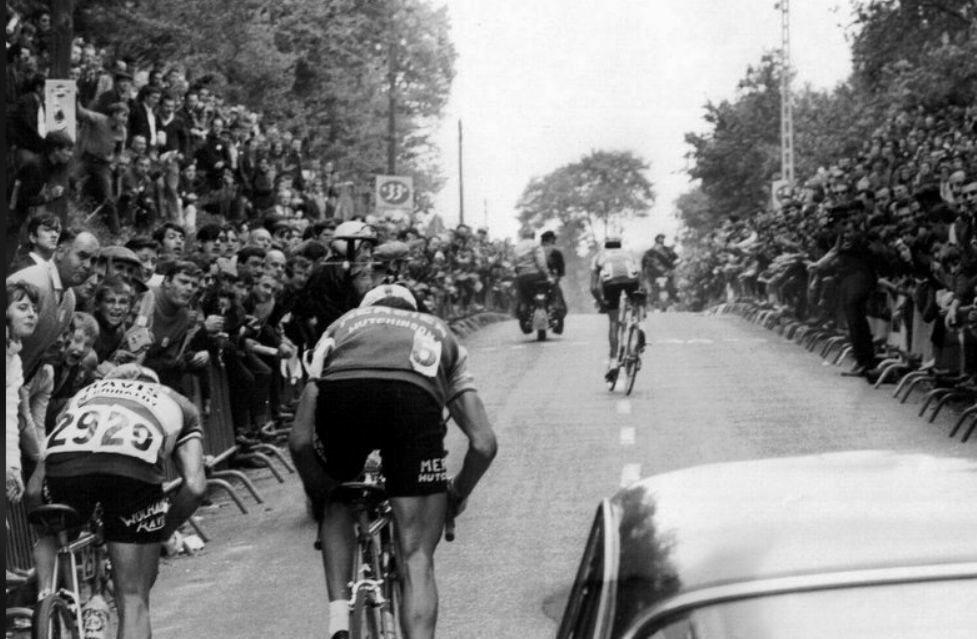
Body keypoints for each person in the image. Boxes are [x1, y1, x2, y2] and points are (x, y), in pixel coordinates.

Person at [289, 284, 498, 639]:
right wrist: (456, 494)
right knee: (416, 556)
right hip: (412, 399)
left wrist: (321, 489)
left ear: (365, 310)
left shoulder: (339, 326)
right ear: (414, 310)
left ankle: (339, 620)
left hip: (344, 396)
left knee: (339, 495)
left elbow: (298, 440)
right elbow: (483, 444)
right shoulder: (438, 331)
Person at [28, 364, 206, 639]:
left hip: (66, 468)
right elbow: (194, 487)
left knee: (56, 533)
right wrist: (163, 531)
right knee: (133, 599)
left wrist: (49, 532)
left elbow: (32, 491)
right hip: (132, 473)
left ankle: (48, 596)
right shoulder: (177, 402)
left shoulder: (84, 395)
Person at [6, 281, 40, 503]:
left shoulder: (14, 360)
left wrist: (12, 468)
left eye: (34, 310)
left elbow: (9, 418)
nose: (32, 315)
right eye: (22, 307)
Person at [591, 236, 641, 382]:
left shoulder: (599, 256)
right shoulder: (630, 253)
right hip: (632, 281)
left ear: (606, 246)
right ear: (620, 246)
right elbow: (640, 272)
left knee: (613, 321)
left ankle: (613, 361)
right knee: (637, 306)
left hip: (610, 283)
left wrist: (602, 303)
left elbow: (593, 287)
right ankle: (637, 326)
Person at [511, 229, 552, 331]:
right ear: (533, 236)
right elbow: (541, 263)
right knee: (550, 288)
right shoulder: (536, 245)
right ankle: (551, 310)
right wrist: (547, 275)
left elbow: (514, 264)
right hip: (535, 276)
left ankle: (524, 314)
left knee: (522, 297)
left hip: (521, 277)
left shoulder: (516, 247)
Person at [641, 233, 678, 308]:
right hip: (656, 274)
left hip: (664, 274)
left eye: (662, 238)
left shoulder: (666, 250)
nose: (661, 240)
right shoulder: (650, 252)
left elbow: (675, 259)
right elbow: (644, 263)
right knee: (654, 287)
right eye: (660, 238)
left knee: (671, 286)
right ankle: (655, 300)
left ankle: (672, 298)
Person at [540, 230, 567, 326]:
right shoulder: (555, 251)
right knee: (558, 297)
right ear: (551, 239)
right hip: (550, 279)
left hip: (535, 279)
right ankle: (557, 315)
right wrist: (558, 277)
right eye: (554, 239)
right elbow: (561, 269)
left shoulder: (536, 250)